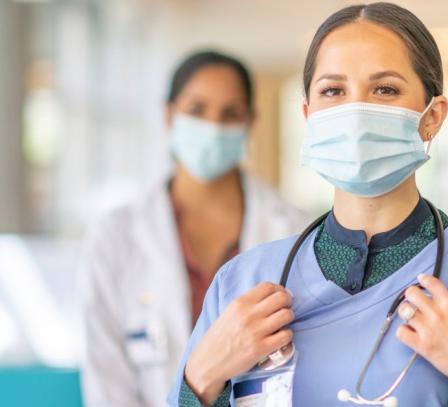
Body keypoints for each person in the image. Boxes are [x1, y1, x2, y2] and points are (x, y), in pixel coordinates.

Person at [168, 3, 448, 407]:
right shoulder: (242, 283)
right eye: (333, 91)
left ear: (432, 116)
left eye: (385, 89)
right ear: (309, 115)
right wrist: (201, 378)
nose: (355, 112)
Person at [79, 50, 309, 407]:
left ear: (250, 121)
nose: (213, 126)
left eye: (230, 113)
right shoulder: (116, 237)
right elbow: (105, 377)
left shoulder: (294, 229)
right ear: (168, 115)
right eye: (197, 110)